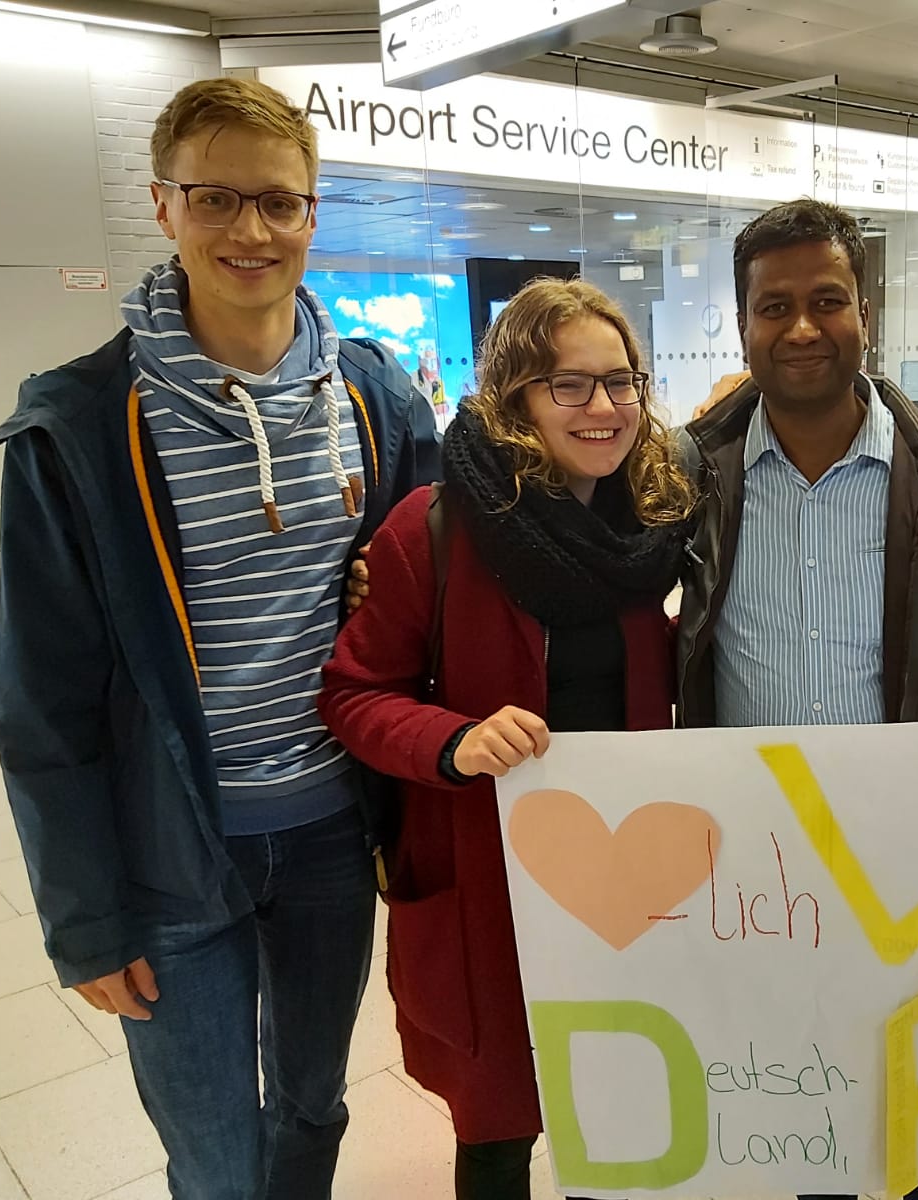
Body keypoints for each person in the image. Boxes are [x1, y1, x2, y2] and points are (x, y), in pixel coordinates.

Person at [0, 78, 438, 1200]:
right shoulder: (83, 428)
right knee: (215, 1155)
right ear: (163, 205)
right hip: (169, 856)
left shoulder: (379, 403)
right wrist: (85, 920)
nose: (251, 230)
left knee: (312, 1105)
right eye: (217, 199)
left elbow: (424, 618)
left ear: (312, 215)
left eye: (279, 203)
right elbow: (44, 705)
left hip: (332, 834)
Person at [318, 277, 693, 1200]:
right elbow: (356, 693)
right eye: (568, 384)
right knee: (498, 1128)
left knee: (632, 1102)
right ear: (515, 393)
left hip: (634, 875)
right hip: (491, 877)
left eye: (622, 381)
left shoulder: (660, 523)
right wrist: (454, 741)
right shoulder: (436, 529)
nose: (603, 407)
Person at [677, 198, 918, 1200]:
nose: (802, 327)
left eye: (826, 299)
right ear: (742, 324)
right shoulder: (691, 472)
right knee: (809, 1112)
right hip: (762, 862)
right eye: (772, 306)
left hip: (913, 853)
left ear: (865, 305)